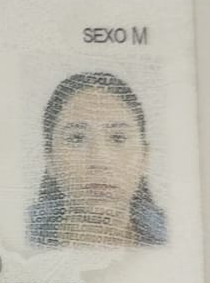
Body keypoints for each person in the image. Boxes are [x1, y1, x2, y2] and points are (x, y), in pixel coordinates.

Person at [28, 71, 167, 247]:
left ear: (144, 157)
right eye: (76, 138)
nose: (100, 161)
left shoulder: (181, 235)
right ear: (50, 159)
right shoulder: (19, 234)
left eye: (118, 138)